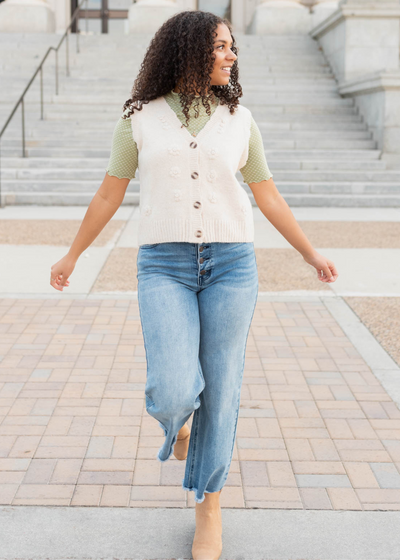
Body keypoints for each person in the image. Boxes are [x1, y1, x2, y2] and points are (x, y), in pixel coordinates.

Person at [50, 10, 339, 560]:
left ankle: (209, 506)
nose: (232, 55)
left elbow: (267, 196)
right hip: (163, 264)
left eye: (233, 46)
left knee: (223, 388)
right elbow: (110, 194)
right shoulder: (139, 117)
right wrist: (73, 254)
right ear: (189, 51)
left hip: (232, 264)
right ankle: (178, 424)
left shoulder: (240, 119)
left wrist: (311, 253)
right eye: (222, 47)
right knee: (175, 388)